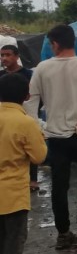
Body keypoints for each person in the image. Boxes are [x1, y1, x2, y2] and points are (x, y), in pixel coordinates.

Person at [25, 24, 77, 250]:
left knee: (59, 185)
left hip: (56, 136)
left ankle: (63, 233)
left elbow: (30, 102)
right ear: (72, 41)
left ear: (55, 43)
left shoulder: (42, 68)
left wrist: (38, 128)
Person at [0, 73, 48, 254]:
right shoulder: (26, 122)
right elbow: (39, 156)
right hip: (12, 193)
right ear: (27, 96)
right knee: (12, 243)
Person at [1, 44, 39, 190]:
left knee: (29, 145)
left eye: (8, 55)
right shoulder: (1, 75)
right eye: (2, 55)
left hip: (26, 114)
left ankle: (33, 179)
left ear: (17, 56)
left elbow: (36, 95)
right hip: (5, 116)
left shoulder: (29, 74)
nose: (4, 58)